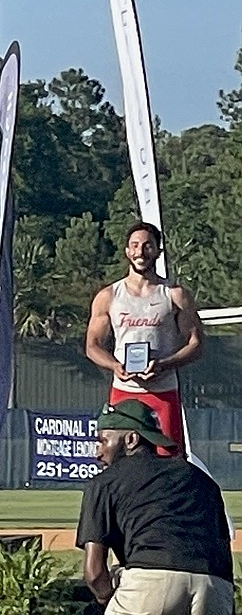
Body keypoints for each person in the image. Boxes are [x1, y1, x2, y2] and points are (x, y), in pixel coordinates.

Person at [77, 399, 233, 614]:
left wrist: (107, 599)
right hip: (215, 584)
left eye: (103, 441)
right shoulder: (202, 479)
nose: (98, 453)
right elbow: (222, 545)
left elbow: (94, 573)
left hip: (152, 582)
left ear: (131, 439)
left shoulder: (104, 482)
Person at [84, 221, 204, 456]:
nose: (140, 252)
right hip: (123, 391)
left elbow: (196, 344)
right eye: (135, 245)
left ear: (158, 251)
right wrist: (115, 366)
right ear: (127, 251)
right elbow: (92, 346)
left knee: (168, 460)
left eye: (148, 246)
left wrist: (164, 365)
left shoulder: (174, 294)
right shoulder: (108, 296)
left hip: (163, 392)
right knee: (119, 459)